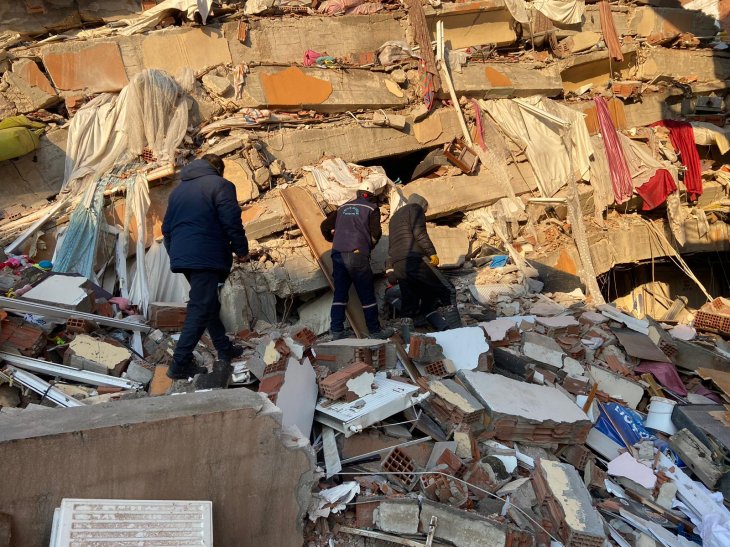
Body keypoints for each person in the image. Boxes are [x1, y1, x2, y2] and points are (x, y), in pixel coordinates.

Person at [161, 154, 249, 379]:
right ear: (218, 169)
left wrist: (177, 254)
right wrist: (241, 250)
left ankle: (223, 347)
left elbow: (167, 229)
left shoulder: (178, 191)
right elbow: (231, 219)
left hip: (184, 254)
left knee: (207, 302)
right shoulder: (220, 184)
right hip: (205, 252)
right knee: (200, 306)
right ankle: (180, 363)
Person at [320, 182, 394, 340]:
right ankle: (375, 331)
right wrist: (371, 243)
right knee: (366, 294)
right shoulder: (371, 208)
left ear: (358, 193)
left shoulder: (342, 207)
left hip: (338, 254)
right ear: (371, 195)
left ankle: (337, 331)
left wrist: (331, 238)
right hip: (357, 254)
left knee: (340, 294)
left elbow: (325, 226)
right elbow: (376, 232)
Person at [388, 193, 463, 341]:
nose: (425, 213)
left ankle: (409, 342)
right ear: (422, 205)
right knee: (447, 290)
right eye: (425, 210)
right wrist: (431, 253)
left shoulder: (394, 217)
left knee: (409, 302)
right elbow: (419, 232)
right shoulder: (415, 209)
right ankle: (458, 334)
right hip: (414, 257)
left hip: (398, 262)